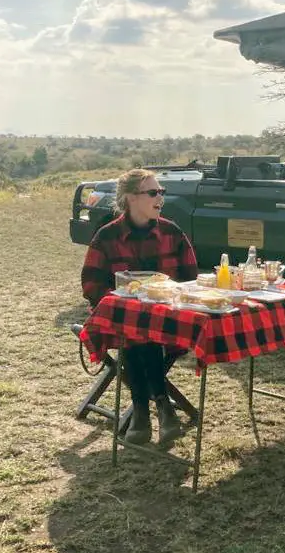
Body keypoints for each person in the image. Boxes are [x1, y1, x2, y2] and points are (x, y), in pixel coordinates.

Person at [81, 168, 199, 445]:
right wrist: (119, 304)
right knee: (135, 329)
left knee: (140, 333)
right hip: (120, 324)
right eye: (153, 192)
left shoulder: (172, 232)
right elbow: (90, 284)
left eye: (162, 192)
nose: (161, 197)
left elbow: (190, 279)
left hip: (169, 323)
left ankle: (143, 412)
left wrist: (168, 300)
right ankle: (162, 407)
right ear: (131, 198)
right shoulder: (106, 237)